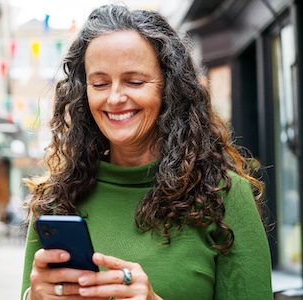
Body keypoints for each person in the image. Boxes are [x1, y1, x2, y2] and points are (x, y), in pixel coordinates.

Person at [20, 4, 272, 300]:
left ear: (170, 88)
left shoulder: (224, 196)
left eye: (135, 81)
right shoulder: (56, 200)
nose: (115, 98)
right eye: (99, 83)